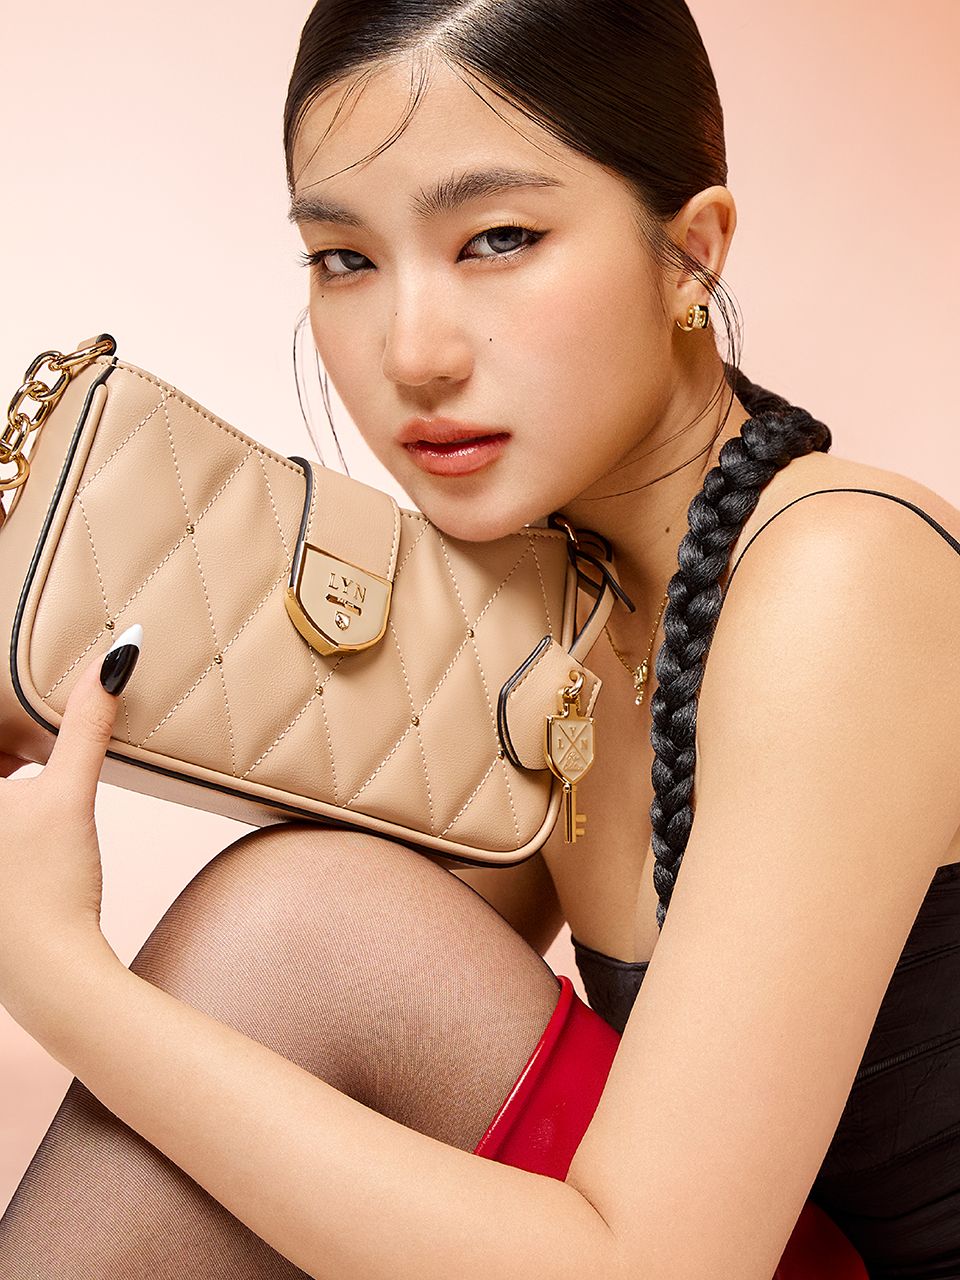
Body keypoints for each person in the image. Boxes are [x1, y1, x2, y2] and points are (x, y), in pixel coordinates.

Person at [2, 2, 959, 1276]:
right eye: (344, 258)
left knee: (302, 917)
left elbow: (653, 1265)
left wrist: (68, 987)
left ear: (691, 256)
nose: (413, 353)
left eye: (499, 239)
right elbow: (382, 1010)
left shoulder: (847, 575)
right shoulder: (556, 616)